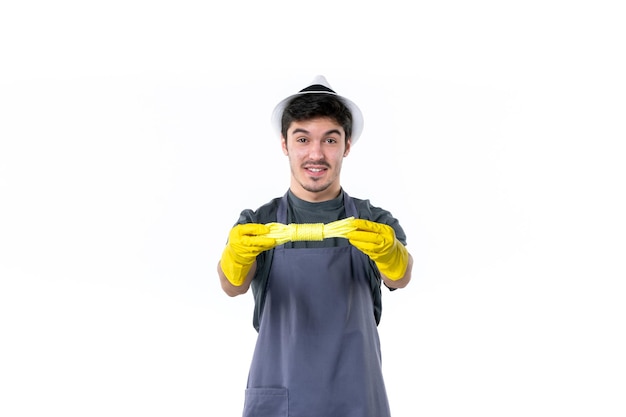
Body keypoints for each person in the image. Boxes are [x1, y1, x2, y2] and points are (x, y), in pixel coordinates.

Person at [217, 75, 413, 417]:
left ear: (347, 146)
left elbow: (400, 277)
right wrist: (236, 255)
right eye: (303, 138)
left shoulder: (372, 220)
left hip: (356, 397)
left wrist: (391, 254)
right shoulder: (257, 222)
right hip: (282, 397)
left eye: (330, 140)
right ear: (285, 144)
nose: (316, 154)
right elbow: (232, 286)